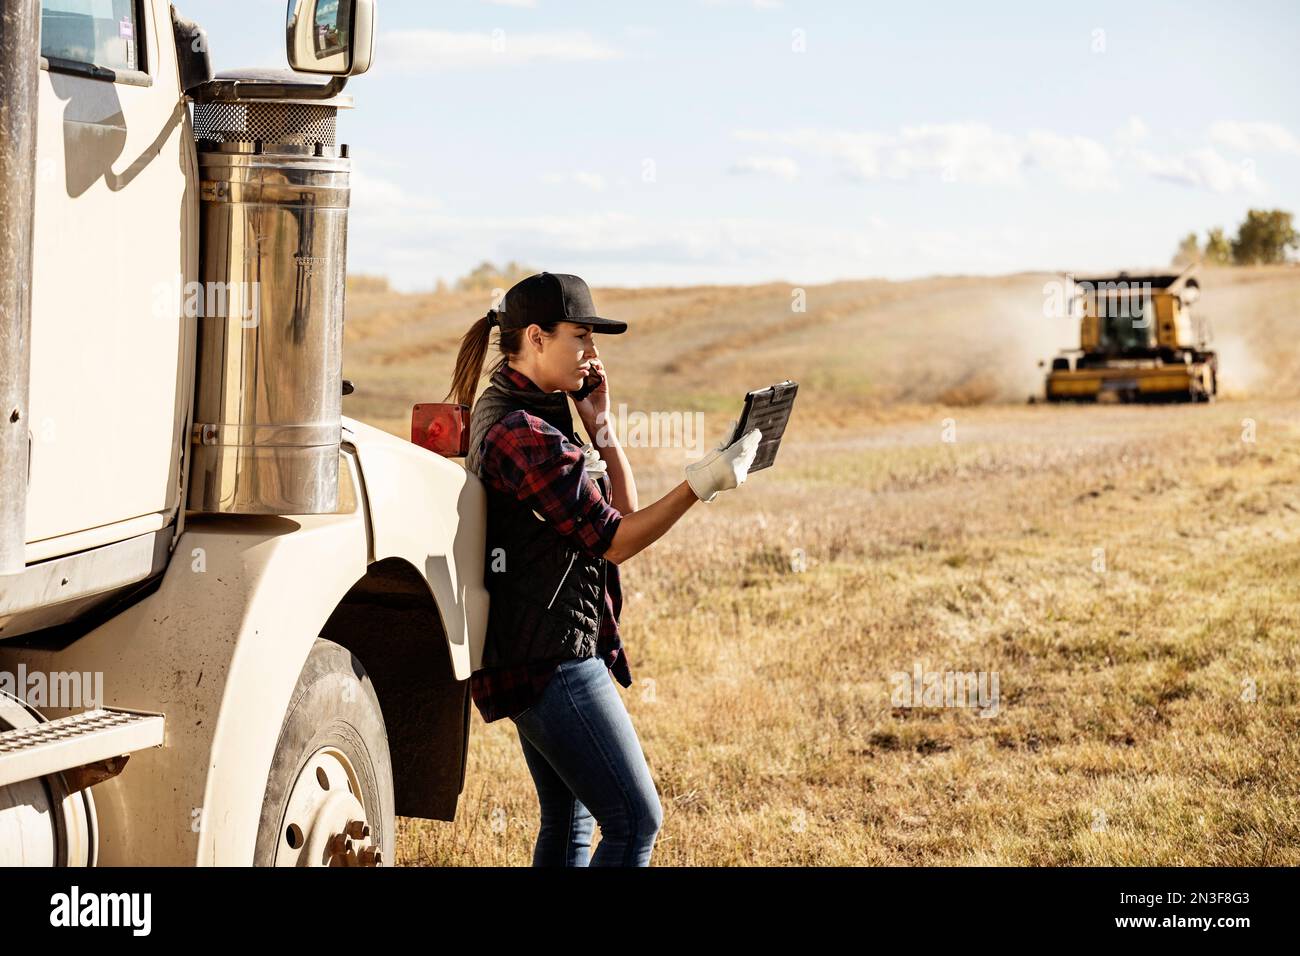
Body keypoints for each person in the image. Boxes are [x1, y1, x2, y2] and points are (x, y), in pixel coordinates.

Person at [444, 271, 762, 866]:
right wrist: (703, 483)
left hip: (536, 649)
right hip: (552, 658)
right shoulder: (523, 431)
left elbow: (622, 510)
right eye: (581, 337)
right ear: (536, 338)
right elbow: (618, 541)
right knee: (636, 819)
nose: (592, 354)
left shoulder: (528, 409)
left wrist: (602, 427)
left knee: (571, 819)